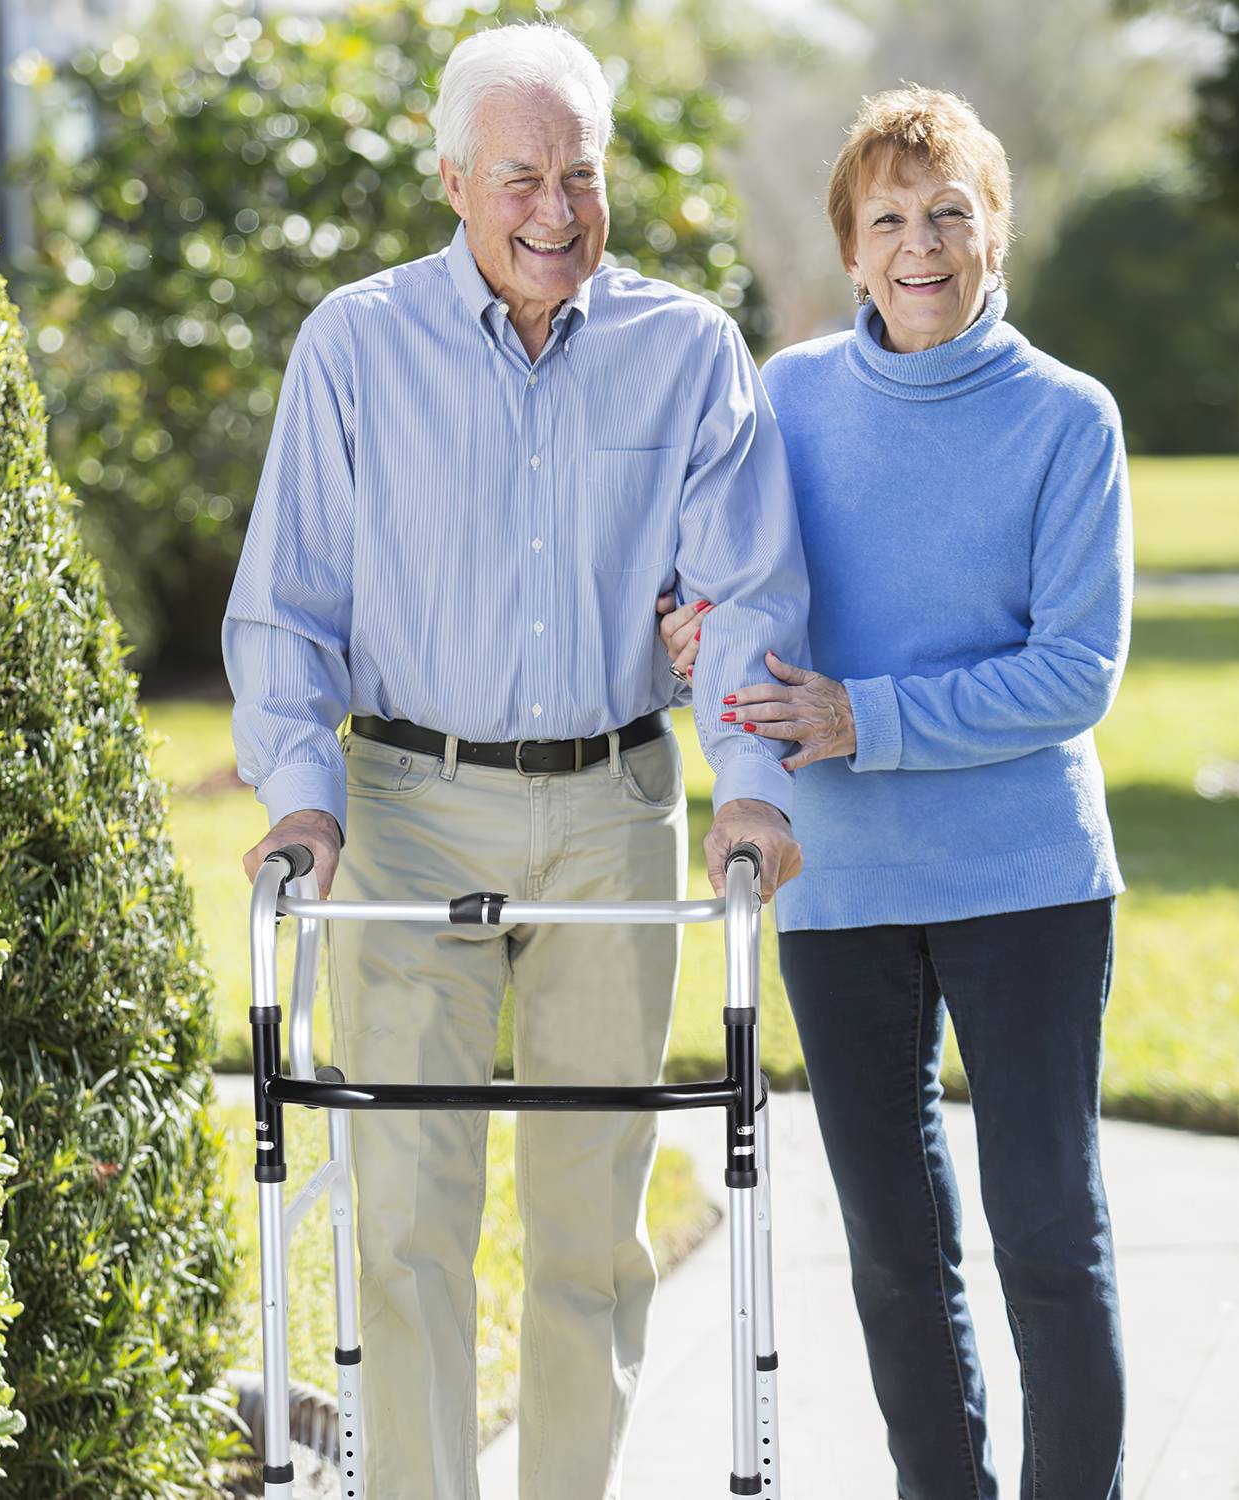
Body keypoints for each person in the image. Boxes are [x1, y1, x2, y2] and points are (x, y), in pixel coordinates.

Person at [223, 22, 809, 1499]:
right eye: (519, 178)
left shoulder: (687, 354)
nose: (555, 210)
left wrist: (750, 788)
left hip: (616, 809)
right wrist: (302, 795)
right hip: (411, 815)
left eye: (581, 174)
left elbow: (744, 600)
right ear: (452, 182)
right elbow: (285, 603)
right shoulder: (355, 346)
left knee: (589, 1225)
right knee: (409, 1213)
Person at [661, 85, 1129, 1500]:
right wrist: (692, 628)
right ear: (851, 252)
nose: (921, 244)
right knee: (890, 1253)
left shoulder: (1067, 420)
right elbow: (736, 593)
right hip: (842, 886)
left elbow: (1077, 672)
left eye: (950, 214)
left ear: (997, 233)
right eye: (889, 220)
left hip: (1027, 883)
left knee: (1048, 1236)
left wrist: (867, 715)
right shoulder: (786, 396)